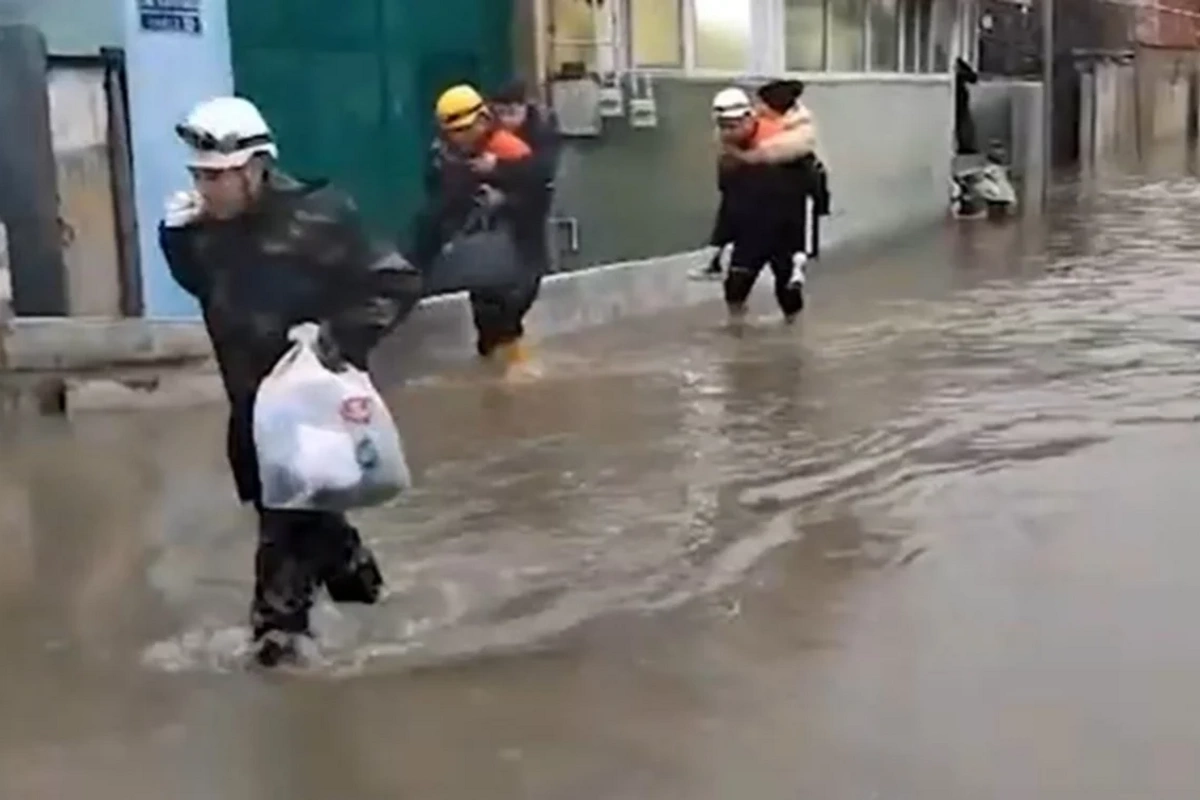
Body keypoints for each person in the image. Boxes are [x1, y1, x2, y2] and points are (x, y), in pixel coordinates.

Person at [159, 96, 423, 668]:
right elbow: (208, 290)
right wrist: (175, 240)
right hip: (251, 414)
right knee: (312, 526)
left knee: (283, 546)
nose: (210, 190)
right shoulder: (204, 232)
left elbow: (396, 283)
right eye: (201, 177)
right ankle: (379, 607)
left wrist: (336, 337)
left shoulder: (320, 216)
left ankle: (279, 653)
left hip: (313, 412)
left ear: (257, 168)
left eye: (222, 178)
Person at [413, 83, 542, 379]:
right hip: (477, 252)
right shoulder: (443, 155)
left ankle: (521, 373)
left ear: (483, 119)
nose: (458, 138)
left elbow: (535, 199)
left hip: (519, 252)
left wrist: (503, 193)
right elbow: (437, 205)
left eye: (464, 130)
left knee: (508, 314)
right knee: (486, 323)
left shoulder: (510, 151)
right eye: (452, 132)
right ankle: (496, 374)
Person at [707, 86, 807, 326]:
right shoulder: (728, 157)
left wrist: (800, 248)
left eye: (733, 126)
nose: (728, 132)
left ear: (748, 119)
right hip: (749, 233)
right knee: (734, 290)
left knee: (789, 295)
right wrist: (718, 242)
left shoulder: (783, 149)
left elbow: (803, 198)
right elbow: (729, 200)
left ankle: (794, 338)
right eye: (723, 127)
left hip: (783, 233)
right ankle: (737, 335)